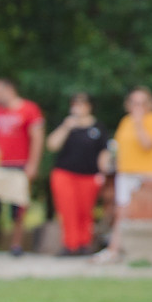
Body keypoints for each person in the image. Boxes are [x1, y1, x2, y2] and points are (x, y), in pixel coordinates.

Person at [0, 78, 42, 257]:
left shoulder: (29, 109)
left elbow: (37, 137)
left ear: (9, 90)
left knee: (18, 206)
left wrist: (33, 164)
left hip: (19, 163)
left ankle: (16, 245)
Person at [44, 92, 109, 256]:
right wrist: (66, 126)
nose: (78, 107)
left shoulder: (98, 128)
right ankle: (70, 245)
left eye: (82, 104)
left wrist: (103, 173)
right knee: (67, 210)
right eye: (75, 104)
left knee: (85, 211)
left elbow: (104, 152)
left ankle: (84, 244)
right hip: (65, 174)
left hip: (88, 176)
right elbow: (52, 145)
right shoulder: (67, 125)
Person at [111, 86, 152, 207]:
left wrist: (139, 124)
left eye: (141, 103)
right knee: (123, 209)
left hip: (146, 175)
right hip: (125, 173)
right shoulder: (125, 121)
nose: (137, 106)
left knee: (144, 210)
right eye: (134, 103)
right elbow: (117, 147)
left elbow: (147, 145)